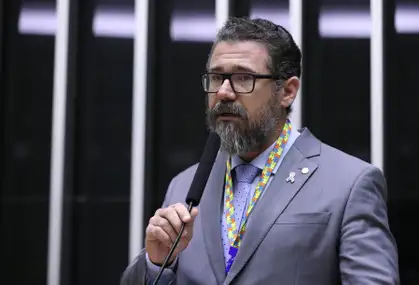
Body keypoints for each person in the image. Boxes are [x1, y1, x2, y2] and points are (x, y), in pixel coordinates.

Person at [120, 17, 399, 285]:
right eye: (217, 78)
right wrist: (157, 263)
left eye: (243, 78)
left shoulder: (349, 184)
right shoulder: (183, 188)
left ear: (287, 91)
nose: (224, 93)